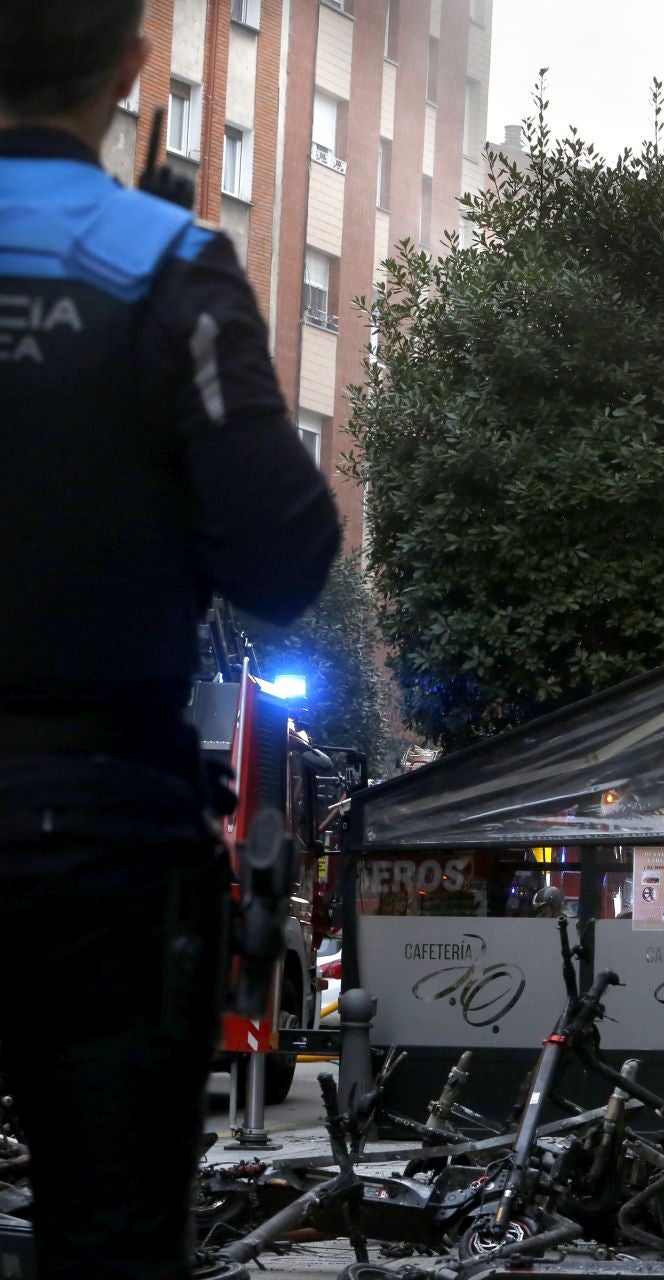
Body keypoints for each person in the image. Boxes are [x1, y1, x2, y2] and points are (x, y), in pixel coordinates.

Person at [0, 6, 341, 1277]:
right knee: (115, 1236)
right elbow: (285, 561)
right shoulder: (167, 267)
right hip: (104, 837)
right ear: (134, 71)